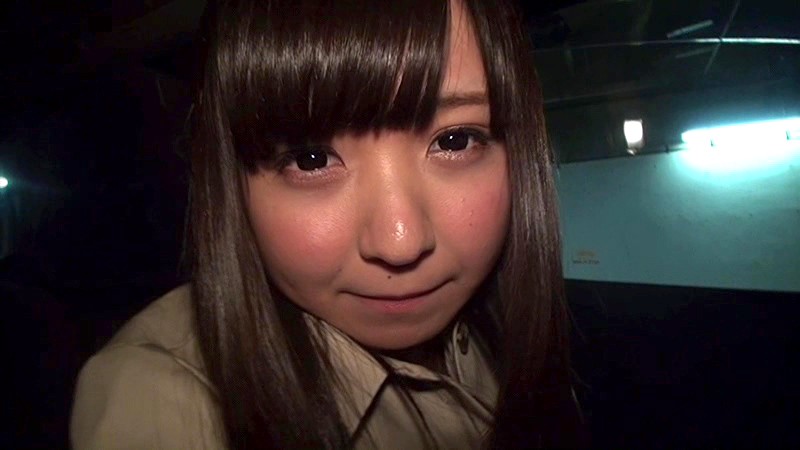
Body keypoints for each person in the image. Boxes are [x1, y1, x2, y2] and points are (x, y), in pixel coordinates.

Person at [71, 0, 584, 448]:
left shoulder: (508, 335)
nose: (400, 242)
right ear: (232, 184)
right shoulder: (162, 400)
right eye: (311, 159)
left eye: (455, 141)